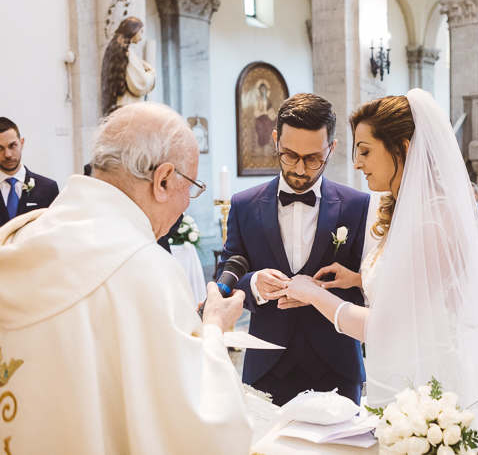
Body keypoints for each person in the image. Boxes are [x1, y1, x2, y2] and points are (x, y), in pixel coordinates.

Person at [273, 90, 478, 452]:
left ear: (402, 147)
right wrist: (359, 279)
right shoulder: (411, 209)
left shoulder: (434, 220)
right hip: (401, 375)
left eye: (366, 150)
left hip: (427, 388)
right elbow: (420, 290)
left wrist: (313, 293)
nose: (357, 162)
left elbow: (383, 326)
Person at [0, 103, 253, 454]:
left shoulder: (20, 235)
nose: (187, 204)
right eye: (191, 186)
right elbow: (201, 427)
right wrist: (213, 326)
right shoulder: (147, 270)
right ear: (163, 180)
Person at [217, 93, 369, 406]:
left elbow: (368, 286)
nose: (300, 169)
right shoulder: (244, 205)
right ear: (275, 141)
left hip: (337, 364)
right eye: (289, 155)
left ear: (333, 148)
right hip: (266, 365)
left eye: (313, 158)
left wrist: (321, 293)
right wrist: (255, 284)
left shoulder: (357, 206)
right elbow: (229, 272)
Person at [0, 117, 59, 227]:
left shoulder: (48, 188)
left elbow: (55, 229)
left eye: (12, 145)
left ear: (21, 143)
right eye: (0, 148)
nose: (7, 154)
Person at [101, 17, 156, 116]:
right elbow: (140, 84)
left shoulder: (115, 51)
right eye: (141, 31)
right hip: (130, 108)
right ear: (133, 30)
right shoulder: (127, 54)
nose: (141, 36)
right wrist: (152, 73)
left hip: (119, 107)